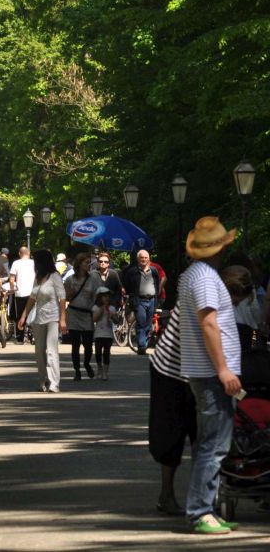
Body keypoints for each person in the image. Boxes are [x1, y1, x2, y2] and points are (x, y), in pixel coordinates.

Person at [178, 216, 242, 534]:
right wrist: (223, 369)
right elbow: (208, 324)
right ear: (217, 249)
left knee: (211, 442)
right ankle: (201, 510)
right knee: (213, 444)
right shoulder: (204, 278)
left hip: (204, 371)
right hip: (210, 373)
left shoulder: (194, 274)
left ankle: (207, 508)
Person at [148, 301, 195, 516]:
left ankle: (203, 500)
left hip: (196, 368)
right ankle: (167, 495)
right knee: (172, 433)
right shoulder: (205, 295)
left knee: (204, 436)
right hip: (171, 369)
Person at [17, 249, 68, 393]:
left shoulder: (54, 277)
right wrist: (23, 316)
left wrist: (62, 319)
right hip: (39, 317)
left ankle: (54, 383)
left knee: (51, 350)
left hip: (53, 316)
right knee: (39, 351)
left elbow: (62, 297)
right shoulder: (38, 277)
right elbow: (32, 297)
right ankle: (43, 380)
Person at [64, 252, 101, 380]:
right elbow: (64, 297)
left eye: (89, 263)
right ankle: (77, 370)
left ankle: (86, 363)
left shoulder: (93, 279)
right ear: (79, 264)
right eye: (86, 263)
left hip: (87, 315)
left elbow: (99, 296)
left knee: (88, 345)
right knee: (75, 345)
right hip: (73, 313)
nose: (88, 265)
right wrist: (70, 293)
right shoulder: (70, 279)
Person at [123, 249, 161, 355]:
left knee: (148, 324)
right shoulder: (132, 271)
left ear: (149, 259)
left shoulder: (153, 271)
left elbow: (157, 284)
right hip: (139, 300)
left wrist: (157, 297)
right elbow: (126, 285)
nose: (144, 259)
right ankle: (142, 346)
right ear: (138, 259)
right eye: (142, 258)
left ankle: (144, 343)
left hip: (152, 300)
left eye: (146, 258)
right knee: (141, 323)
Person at [9, 246, 36, 344]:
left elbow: (12, 279)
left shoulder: (16, 263)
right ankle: (32, 335)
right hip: (33, 293)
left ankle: (20, 337)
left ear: (20, 254)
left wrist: (12, 290)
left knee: (20, 315)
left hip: (20, 293)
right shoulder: (34, 263)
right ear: (29, 253)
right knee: (32, 313)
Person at [93, 287, 116, 379]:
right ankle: (99, 368)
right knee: (98, 352)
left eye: (108, 296)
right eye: (104, 296)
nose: (106, 298)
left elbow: (117, 321)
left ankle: (105, 372)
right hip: (98, 334)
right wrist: (102, 309)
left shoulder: (112, 308)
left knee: (106, 353)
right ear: (99, 298)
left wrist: (113, 316)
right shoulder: (95, 308)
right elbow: (94, 319)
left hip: (108, 334)